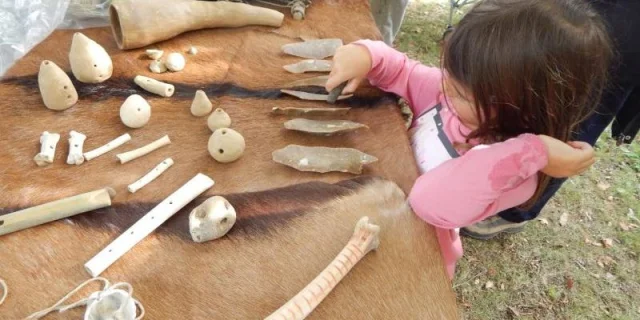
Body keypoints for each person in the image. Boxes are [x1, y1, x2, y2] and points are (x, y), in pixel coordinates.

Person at [325, 0, 613, 278]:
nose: (445, 85)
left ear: (527, 109)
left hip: (414, 261)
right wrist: (367, 55)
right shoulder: (448, 96)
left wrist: (532, 151)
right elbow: (402, 70)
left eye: (462, 92)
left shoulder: (516, 174)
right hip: (369, 220)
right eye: (450, 72)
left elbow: (428, 201)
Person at [461, 0, 640, 240]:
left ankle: (514, 211)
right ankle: (488, 172)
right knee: (529, 84)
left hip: (626, 23)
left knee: (577, 113)